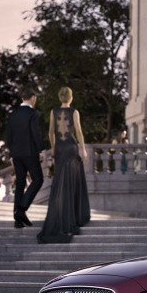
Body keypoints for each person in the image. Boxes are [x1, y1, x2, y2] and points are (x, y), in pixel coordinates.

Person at [37, 86, 91, 244]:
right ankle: (73, 217)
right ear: (71, 97)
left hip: (60, 149)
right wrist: (83, 149)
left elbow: (50, 132)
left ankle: (60, 216)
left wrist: (53, 148)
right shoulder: (74, 112)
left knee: (60, 183)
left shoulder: (53, 112)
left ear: (60, 98)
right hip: (71, 148)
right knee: (72, 182)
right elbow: (79, 132)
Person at [5, 87, 43, 229]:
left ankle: (18, 219)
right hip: (30, 152)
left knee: (20, 183)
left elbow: (9, 135)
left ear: (22, 98)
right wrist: (42, 149)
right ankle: (21, 209)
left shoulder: (13, 114)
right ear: (33, 97)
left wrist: (11, 154)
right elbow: (36, 132)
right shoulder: (33, 113)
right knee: (38, 180)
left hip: (16, 154)